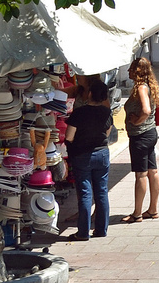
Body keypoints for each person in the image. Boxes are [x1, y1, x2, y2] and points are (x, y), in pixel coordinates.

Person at [64, 78, 112, 240]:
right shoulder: (106, 112)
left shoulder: (79, 113)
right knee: (101, 191)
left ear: (90, 94)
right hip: (102, 153)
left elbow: (69, 136)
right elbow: (107, 132)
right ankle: (101, 229)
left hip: (82, 155)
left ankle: (83, 232)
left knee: (85, 193)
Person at [122, 57, 159, 223]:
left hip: (141, 136)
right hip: (151, 133)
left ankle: (137, 213)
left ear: (137, 71)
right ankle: (152, 209)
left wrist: (135, 121)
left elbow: (145, 110)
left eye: (131, 68)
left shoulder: (141, 88)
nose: (129, 71)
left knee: (141, 175)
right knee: (153, 172)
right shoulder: (149, 86)